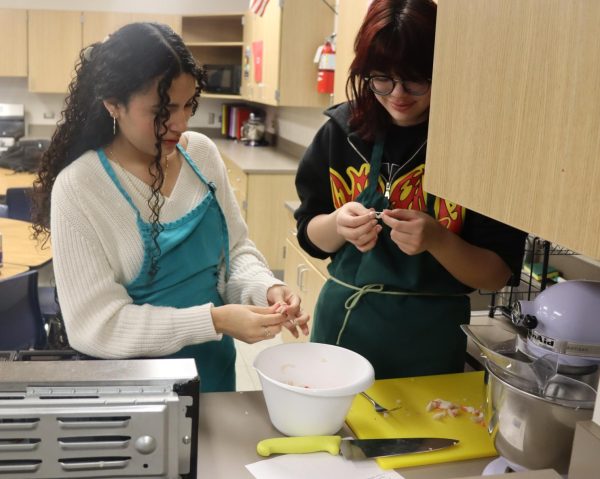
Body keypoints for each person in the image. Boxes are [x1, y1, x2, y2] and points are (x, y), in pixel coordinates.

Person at [31, 22, 309, 392]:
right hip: (134, 396)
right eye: (162, 110)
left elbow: (235, 252)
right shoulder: (81, 188)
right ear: (114, 104)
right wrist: (214, 321)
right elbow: (96, 326)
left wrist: (265, 290)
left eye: (187, 105)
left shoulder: (201, 155)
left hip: (213, 380)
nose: (179, 124)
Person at [294, 0, 527, 379]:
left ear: (445, 71)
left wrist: (438, 239)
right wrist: (337, 224)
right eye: (381, 78)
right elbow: (309, 237)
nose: (397, 94)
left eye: (416, 79)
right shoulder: (341, 133)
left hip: (428, 344)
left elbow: (496, 275)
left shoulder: (477, 147)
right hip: (342, 330)